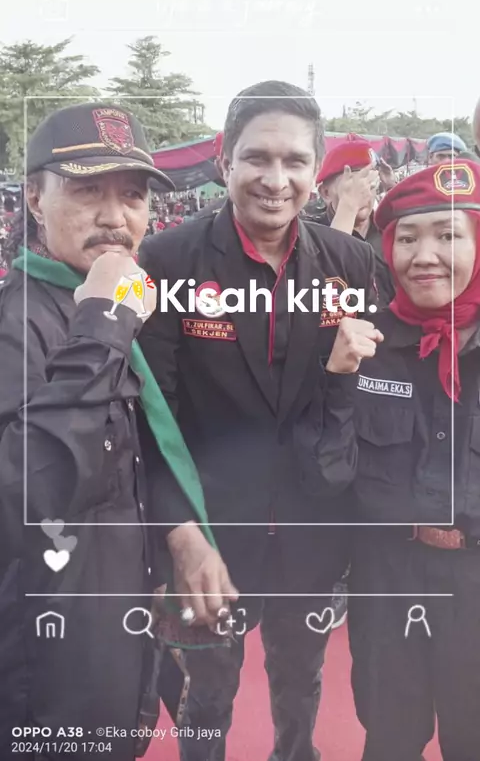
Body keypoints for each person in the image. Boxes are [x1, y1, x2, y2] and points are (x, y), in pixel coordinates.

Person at [138, 80, 382, 761]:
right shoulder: (167, 260)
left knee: (300, 681)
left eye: (295, 161)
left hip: (312, 527)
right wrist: (179, 535)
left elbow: (364, 392)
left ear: (316, 170)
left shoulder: (352, 264)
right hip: (211, 534)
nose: (276, 180)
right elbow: (153, 419)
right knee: (208, 693)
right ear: (225, 162)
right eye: (257, 158)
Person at [0, 102, 225, 760]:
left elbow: (129, 450)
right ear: (35, 199)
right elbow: (26, 496)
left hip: (111, 641)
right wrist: (101, 322)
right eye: (87, 191)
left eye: (132, 195)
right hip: (43, 676)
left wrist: (180, 534)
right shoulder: (24, 323)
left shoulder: (105, 303)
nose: (114, 218)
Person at [345, 159, 480, 761]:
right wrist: (335, 378)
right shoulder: (361, 345)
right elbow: (325, 473)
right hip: (388, 577)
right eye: (407, 238)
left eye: (449, 235)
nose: (425, 256)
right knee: (390, 739)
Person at [315, 140, 395, 309]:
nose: (364, 194)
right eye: (352, 186)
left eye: (370, 184)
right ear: (325, 193)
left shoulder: (390, 232)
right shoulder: (309, 236)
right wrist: (348, 209)